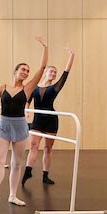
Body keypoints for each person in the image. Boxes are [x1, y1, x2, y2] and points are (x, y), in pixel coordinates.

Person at [0, 36, 47, 210]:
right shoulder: (3, 87)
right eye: (23, 70)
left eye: (28, 71)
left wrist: (45, 47)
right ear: (15, 71)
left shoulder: (27, 89)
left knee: (16, 163)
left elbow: (42, 68)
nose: (26, 73)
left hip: (20, 127)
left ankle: (12, 195)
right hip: (4, 126)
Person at [22, 47, 75, 186]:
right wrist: (26, 111)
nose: (53, 73)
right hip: (38, 119)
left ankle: (46, 175)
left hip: (51, 120)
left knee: (48, 148)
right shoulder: (34, 87)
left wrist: (72, 56)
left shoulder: (55, 87)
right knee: (33, 145)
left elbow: (66, 73)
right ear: (45, 73)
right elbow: (27, 102)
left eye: (55, 73)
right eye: (51, 71)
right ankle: (28, 170)